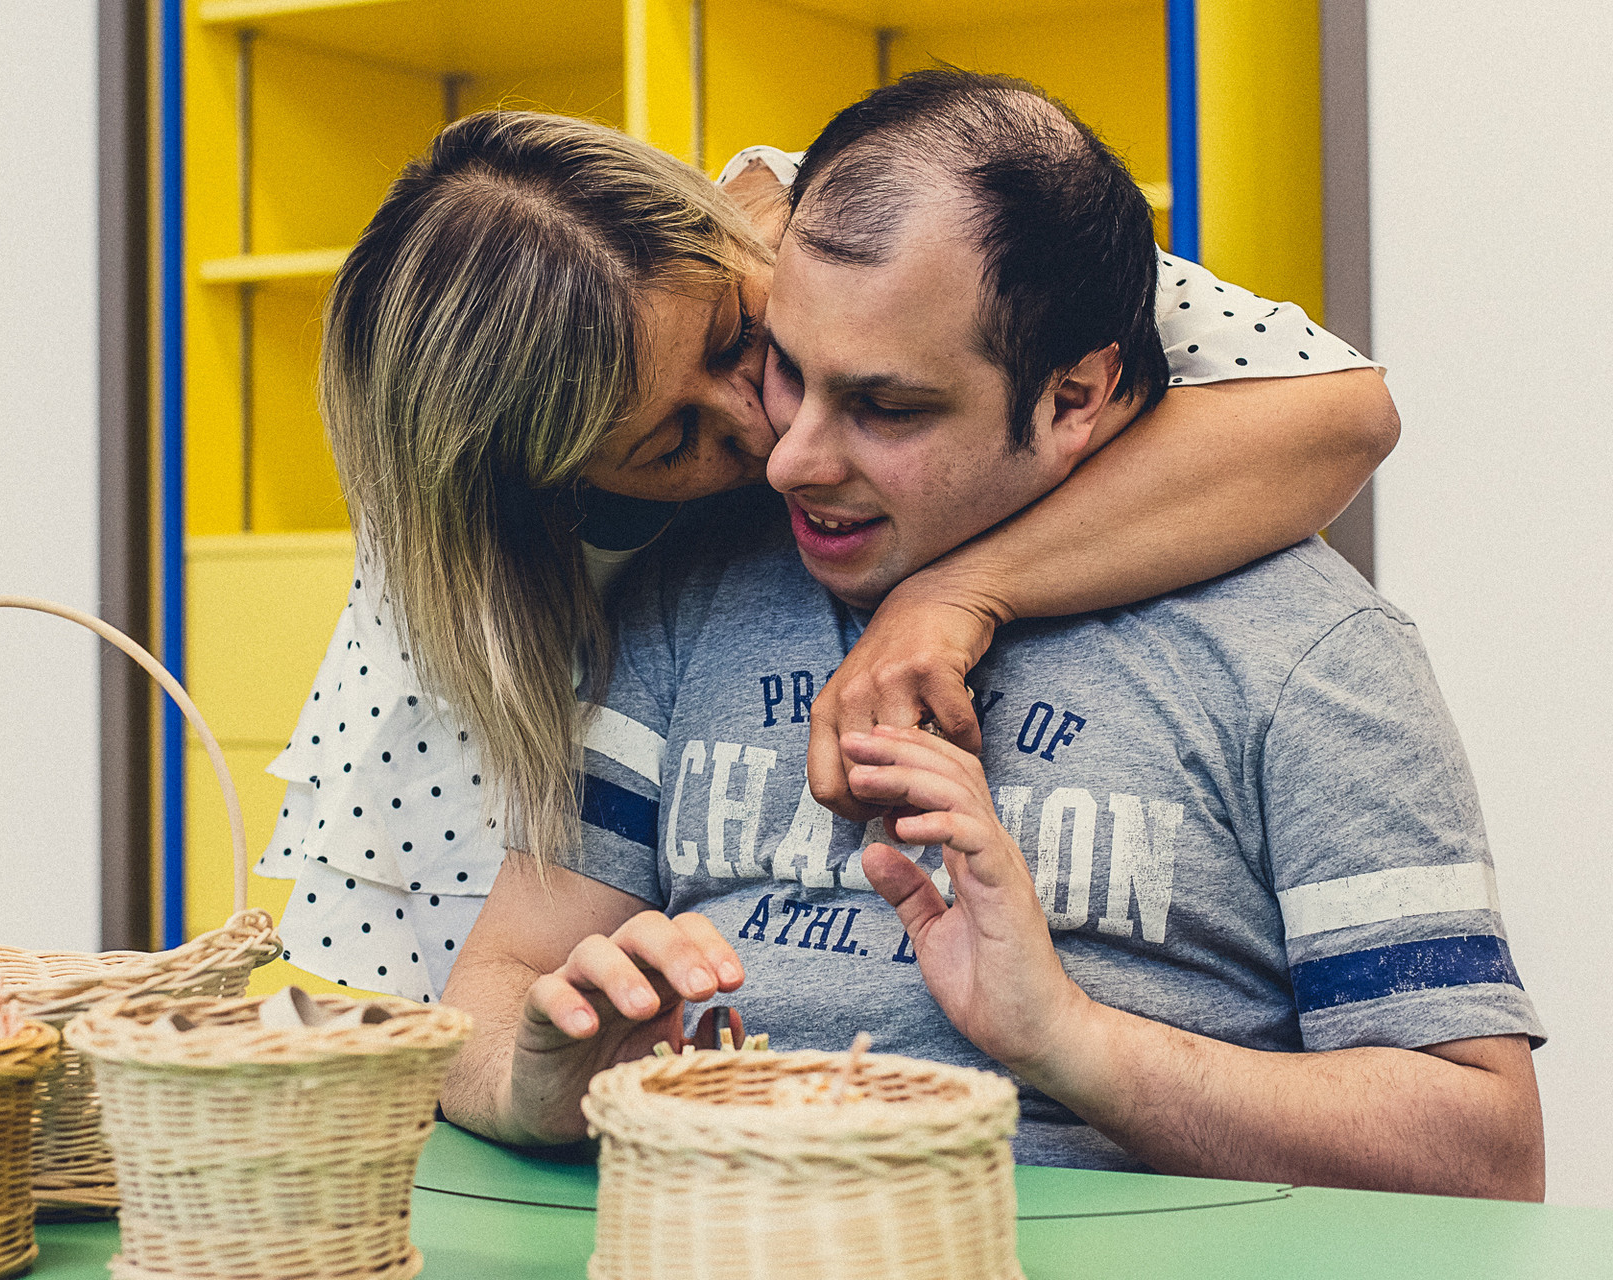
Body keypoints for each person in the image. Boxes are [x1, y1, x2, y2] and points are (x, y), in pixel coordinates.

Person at [438, 72, 1544, 1199]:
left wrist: (1070, 1038)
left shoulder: (1306, 646)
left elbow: (1485, 1155)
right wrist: (537, 1086)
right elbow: (486, 989)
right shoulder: (695, 588)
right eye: (787, 367)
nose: (786, 458)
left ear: (1073, 396)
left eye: (888, 405)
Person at [256, 109, 1396, 1003]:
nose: (774, 439)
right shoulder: (473, 601)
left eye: (741, 340)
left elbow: (1339, 413)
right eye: (674, 444)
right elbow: (474, 1018)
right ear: (570, 491)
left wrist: (954, 593)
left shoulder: (876, 226)